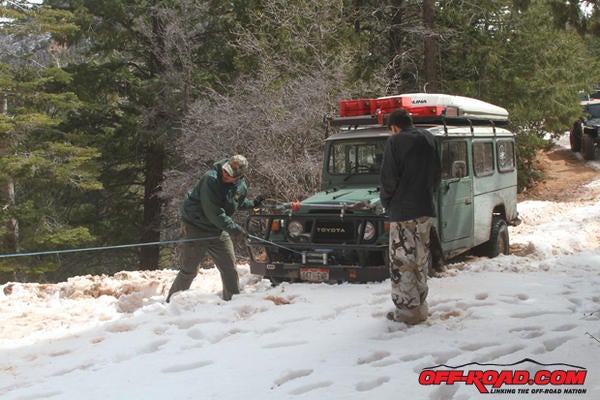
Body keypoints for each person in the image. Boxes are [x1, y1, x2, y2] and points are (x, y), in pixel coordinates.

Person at [166, 155, 263, 302]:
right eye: (225, 171)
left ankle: (232, 302)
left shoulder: (240, 186)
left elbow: (236, 202)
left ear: (239, 176)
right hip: (196, 227)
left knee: (229, 269)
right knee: (189, 270)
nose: (225, 175)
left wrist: (253, 204)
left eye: (229, 174)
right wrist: (236, 230)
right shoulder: (210, 179)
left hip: (218, 229)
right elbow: (214, 213)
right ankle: (171, 303)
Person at [380, 108, 441, 324]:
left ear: (394, 127)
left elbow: (389, 178)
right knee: (421, 257)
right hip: (424, 208)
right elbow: (436, 174)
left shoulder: (395, 142)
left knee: (402, 259)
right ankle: (421, 305)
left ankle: (408, 311)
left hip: (402, 210)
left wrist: (387, 202)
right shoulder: (429, 139)